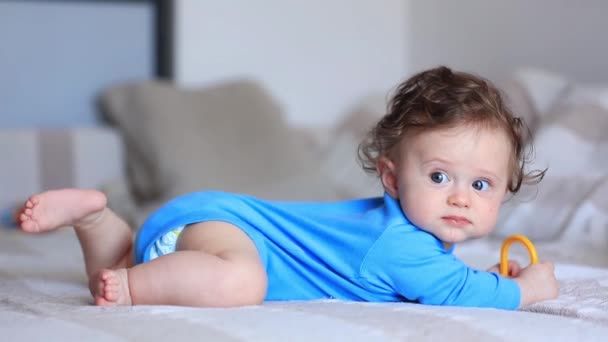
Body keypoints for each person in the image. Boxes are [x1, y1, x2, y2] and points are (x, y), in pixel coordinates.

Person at [17, 66, 559, 310]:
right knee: (240, 285)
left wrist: (486, 275)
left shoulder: (409, 246)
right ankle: (134, 288)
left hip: (207, 222)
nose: (460, 196)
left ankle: (97, 222)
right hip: (230, 232)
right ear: (392, 177)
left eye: (482, 184)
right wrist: (528, 289)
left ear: (504, 192)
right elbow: (456, 294)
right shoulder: (400, 245)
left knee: (129, 260)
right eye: (439, 177)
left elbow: (446, 281)